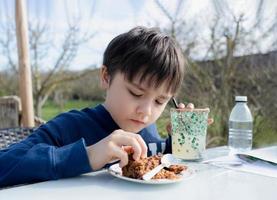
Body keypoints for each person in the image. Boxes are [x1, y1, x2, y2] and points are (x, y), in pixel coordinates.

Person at [0, 26, 189, 187]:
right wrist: (87, 155)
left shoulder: (148, 129)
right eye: (136, 93)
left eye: (159, 101)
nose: (146, 112)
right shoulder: (69, 127)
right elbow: (4, 165)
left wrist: (179, 143)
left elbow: (161, 166)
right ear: (106, 77)